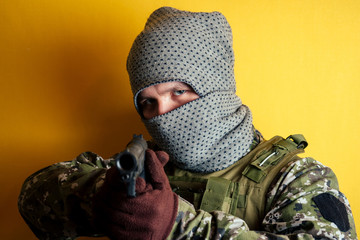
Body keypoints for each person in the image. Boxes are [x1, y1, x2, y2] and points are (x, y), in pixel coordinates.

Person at [18, 6, 357, 240]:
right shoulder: (149, 166)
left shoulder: (295, 178)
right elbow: (34, 199)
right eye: (148, 102)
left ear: (218, 89)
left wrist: (174, 225)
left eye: (178, 91)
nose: (163, 114)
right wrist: (100, 195)